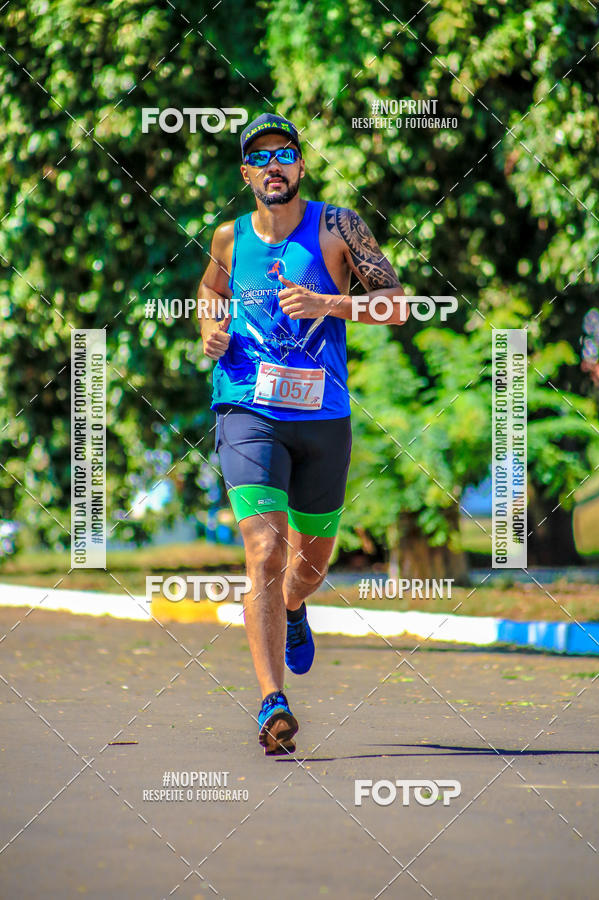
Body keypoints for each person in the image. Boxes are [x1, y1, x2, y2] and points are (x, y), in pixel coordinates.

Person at [197, 113, 408, 754]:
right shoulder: (228, 238)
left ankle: (294, 606)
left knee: (308, 566)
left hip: (323, 417)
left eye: (284, 154)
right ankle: (272, 700)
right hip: (247, 408)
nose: (273, 167)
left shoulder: (339, 226)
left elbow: (397, 305)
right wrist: (209, 327)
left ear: (301, 165)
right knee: (263, 548)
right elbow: (210, 289)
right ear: (245, 174)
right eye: (259, 158)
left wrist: (331, 304)